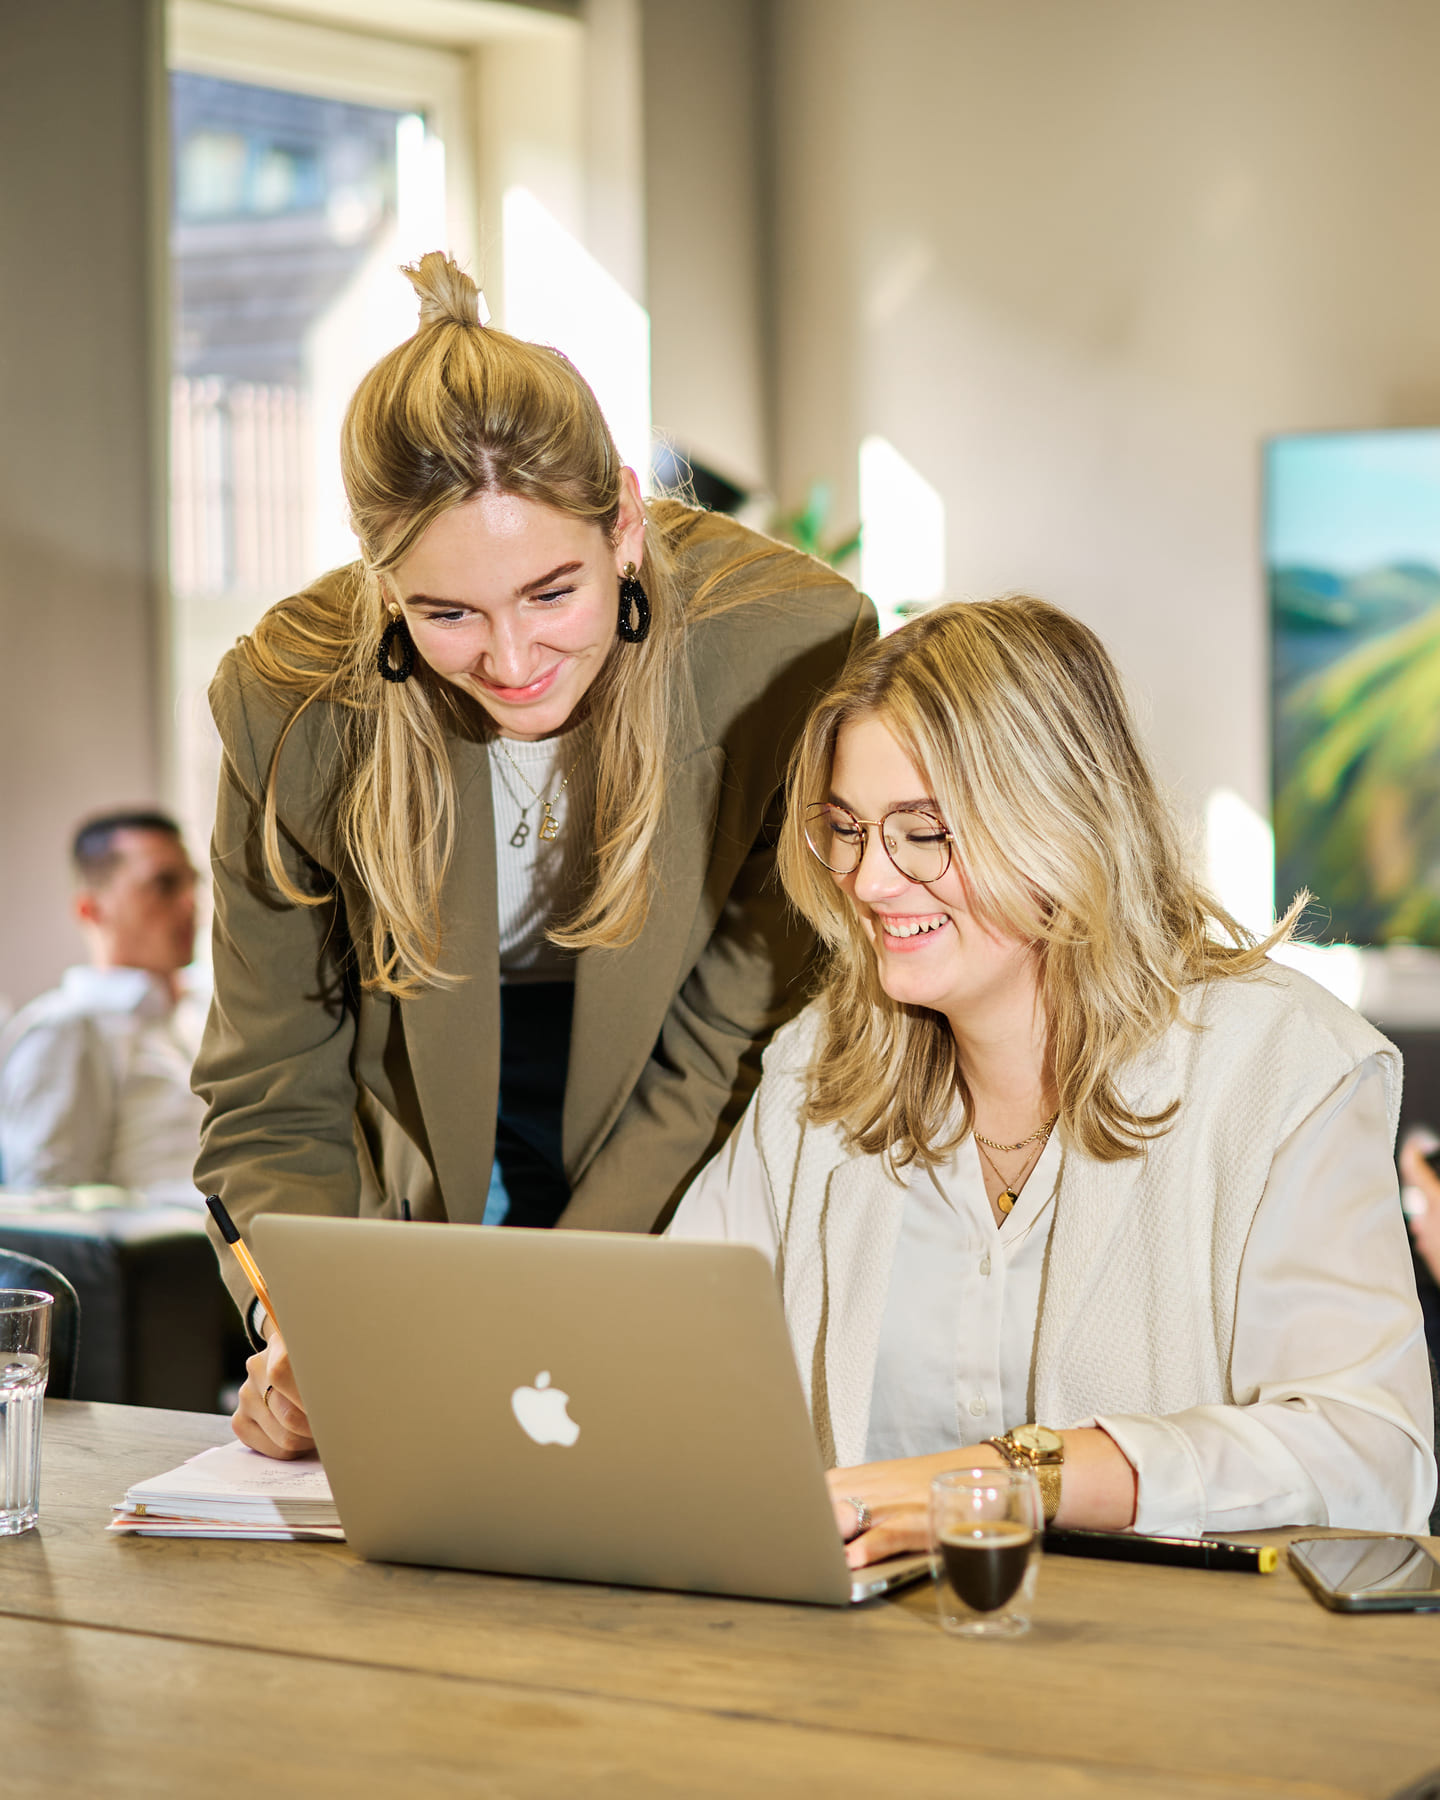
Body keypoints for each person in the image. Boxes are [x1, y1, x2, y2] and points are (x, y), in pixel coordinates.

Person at [196, 253, 874, 1460]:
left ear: (622, 519)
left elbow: (727, 1038)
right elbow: (273, 1079)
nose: (511, 659)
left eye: (551, 592)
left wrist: (536, 1322)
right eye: (445, 613)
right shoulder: (289, 707)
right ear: (381, 582)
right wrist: (312, 1324)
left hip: (682, 1090)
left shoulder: (782, 645)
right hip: (428, 1095)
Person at [670, 597, 1436, 1564]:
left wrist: (1022, 1476)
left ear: (1059, 822)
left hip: (1169, 1681)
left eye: (924, 831)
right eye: (848, 829)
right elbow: (665, 1353)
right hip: (859, 1672)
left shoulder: (1286, 1068)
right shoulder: (817, 1065)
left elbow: (1375, 1454)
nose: (867, 880)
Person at [0, 811, 206, 1201]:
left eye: (193, 883)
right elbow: (51, 1214)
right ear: (91, 909)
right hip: (171, 1258)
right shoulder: (68, 1028)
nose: (190, 904)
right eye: (164, 884)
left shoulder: (201, 1017)